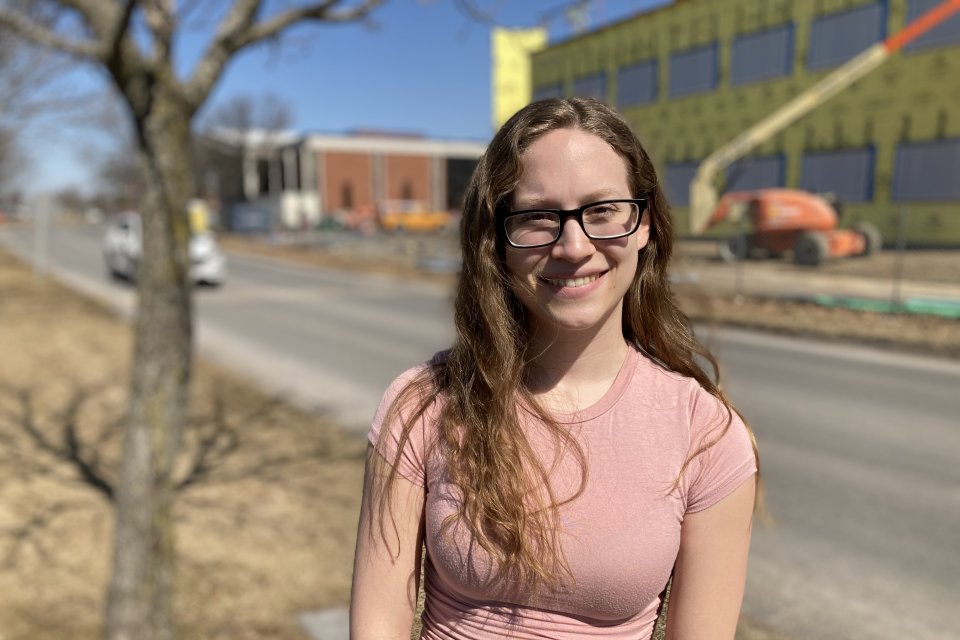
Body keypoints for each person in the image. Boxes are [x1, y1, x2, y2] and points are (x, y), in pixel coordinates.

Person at [350, 97, 759, 639]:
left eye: (603, 210)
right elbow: (378, 623)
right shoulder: (423, 403)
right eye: (538, 216)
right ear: (496, 239)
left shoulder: (707, 435)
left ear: (646, 226)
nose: (574, 246)